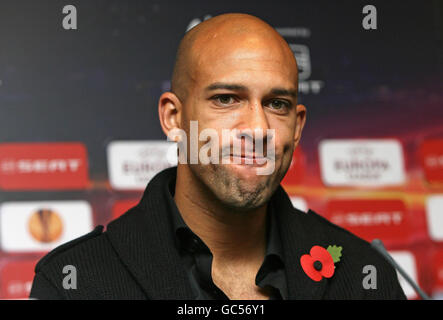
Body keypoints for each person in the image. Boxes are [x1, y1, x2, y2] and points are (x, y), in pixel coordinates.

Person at [30, 13, 406, 300]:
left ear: (298, 125)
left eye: (277, 104)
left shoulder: (362, 275)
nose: (258, 129)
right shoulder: (74, 281)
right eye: (227, 99)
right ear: (173, 117)